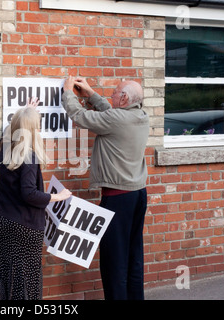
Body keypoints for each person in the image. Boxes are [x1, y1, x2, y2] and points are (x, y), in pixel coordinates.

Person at [62, 76, 149, 300]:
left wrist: (67, 91)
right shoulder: (140, 115)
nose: (111, 95)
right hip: (138, 195)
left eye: (115, 92)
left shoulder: (118, 119)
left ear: (124, 98)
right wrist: (90, 93)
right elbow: (111, 112)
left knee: (114, 262)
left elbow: (79, 116)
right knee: (133, 257)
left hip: (118, 198)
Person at [0, 98, 72, 300]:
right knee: (25, 280)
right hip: (23, 227)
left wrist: (26, 112)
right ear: (34, 130)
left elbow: (11, 128)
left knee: (0, 274)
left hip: (0, 223)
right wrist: (57, 196)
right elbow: (29, 194)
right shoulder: (29, 157)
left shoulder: (5, 147)